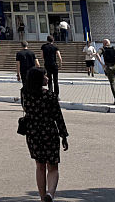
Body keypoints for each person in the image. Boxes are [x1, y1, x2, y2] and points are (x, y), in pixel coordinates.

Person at [21, 66, 69, 202]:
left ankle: (43, 198)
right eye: (45, 76)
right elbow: (58, 117)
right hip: (49, 133)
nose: (47, 78)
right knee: (52, 167)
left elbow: (25, 109)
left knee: (40, 165)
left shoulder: (25, 94)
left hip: (33, 133)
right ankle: (50, 194)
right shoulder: (50, 96)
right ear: (39, 79)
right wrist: (64, 135)